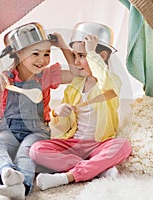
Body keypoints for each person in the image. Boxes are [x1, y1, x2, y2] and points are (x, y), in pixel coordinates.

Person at [0, 22, 76, 199]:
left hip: (37, 131)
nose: (42, 59)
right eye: (35, 53)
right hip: (9, 131)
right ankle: (7, 172)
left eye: (47, 53)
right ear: (19, 53)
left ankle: (23, 186)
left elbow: (77, 73)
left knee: (26, 151)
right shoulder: (5, 78)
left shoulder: (47, 76)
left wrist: (63, 47)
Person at [29, 22, 132, 190]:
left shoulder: (111, 82)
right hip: (74, 144)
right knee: (36, 150)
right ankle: (97, 169)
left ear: (102, 56)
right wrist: (58, 114)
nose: (76, 62)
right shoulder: (75, 85)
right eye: (75, 56)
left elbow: (104, 81)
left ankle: (69, 176)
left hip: (100, 144)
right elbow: (64, 127)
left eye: (82, 56)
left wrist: (91, 52)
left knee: (123, 146)